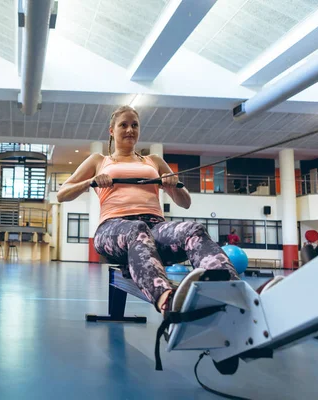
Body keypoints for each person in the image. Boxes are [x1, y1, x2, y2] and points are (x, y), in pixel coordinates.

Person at [56, 105, 241, 318]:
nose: (129, 130)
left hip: (156, 228)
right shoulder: (100, 161)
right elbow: (63, 194)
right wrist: (92, 181)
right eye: (123, 125)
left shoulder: (154, 161)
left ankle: (232, 291)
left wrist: (173, 184)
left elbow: (186, 202)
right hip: (112, 230)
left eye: (134, 125)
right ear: (111, 130)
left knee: (193, 229)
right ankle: (167, 302)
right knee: (137, 229)